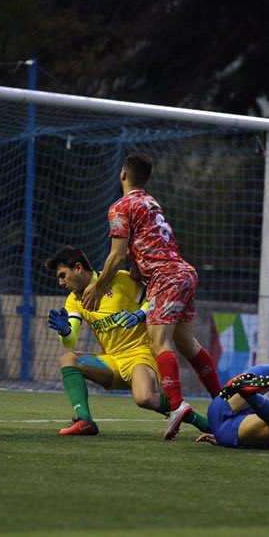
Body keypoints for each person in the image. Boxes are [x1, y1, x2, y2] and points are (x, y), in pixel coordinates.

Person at [81, 153, 222, 440]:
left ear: (123, 174)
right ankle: (224, 403)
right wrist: (139, 267)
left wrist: (96, 287)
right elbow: (150, 243)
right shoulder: (151, 202)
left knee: (158, 341)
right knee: (187, 344)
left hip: (165, 276)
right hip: (184, 272)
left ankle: (177, 405)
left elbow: (116, 256)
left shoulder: (121, 206)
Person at [44, 245, 211, 438]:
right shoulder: (74, 300)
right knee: (68, 359)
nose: (61, 282)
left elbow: (157, 299)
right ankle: (84, 421)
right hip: (113, 361)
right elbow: (70, 340)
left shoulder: (121, 280)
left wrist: (140, 314)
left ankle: (202, 422)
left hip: (140, 356)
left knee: (145, 399)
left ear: (79, 268)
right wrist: (65, 331)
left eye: (63, 275)